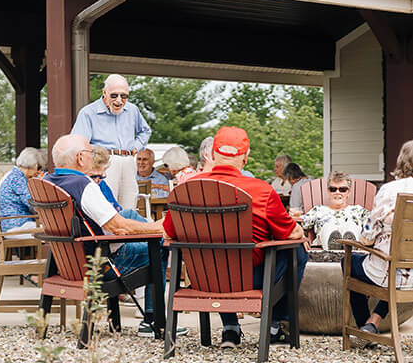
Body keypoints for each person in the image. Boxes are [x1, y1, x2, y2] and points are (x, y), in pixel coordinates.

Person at [163, 126, 307, 348]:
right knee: (297, 250)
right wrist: (299, 232)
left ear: (212, 155)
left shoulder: (187, 189)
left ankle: (230, 327)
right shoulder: (261, 190)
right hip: (249, 279)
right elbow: (291, 233)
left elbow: (168, 234)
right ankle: (275, 325)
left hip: (203, 278)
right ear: (245, 157)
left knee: (219, 257)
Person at [45, 134, 179, 337]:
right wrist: (158, 228)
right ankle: (153, 320)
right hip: (102, 266)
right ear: (80, 158)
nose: (91, 157)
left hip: (68, 264)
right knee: (159, 246)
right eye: (89, 153)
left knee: (131, 217)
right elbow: (118, 226)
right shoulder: (83, 185)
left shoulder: (48, 182)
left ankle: (145, 318)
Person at [344, 140, 413, 337]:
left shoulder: (391, 190)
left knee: (350, 261)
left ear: (403, 161)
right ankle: (373, 322)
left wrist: (368, 239)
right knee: (399, 263)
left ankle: (364, 329)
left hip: (399, 274)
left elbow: (367, 238)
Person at [71, 73, 151, 211]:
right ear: (104, 93)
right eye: (114, 95)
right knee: (107, 207)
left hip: (128, 160)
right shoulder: (88, 112)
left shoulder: (132, 110)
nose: (119, 100)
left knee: (130, 205)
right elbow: (79, 143)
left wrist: (136, 147)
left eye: (123, 96)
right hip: (105, 162)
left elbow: (145, 131)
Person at [301, 171, 370, 250]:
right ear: (328, 191)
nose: (337, 192)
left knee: (351, 226)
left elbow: (372, 226)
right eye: (333, 189)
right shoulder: (318, 210)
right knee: (328, 227)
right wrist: (302, 237)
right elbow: (300, 224)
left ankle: (350, 245)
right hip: (325, 252)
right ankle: (333, 247)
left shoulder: (359, 210)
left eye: (342, 189)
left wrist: (367, 240)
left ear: (348, 192)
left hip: (354, 253)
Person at [0, 147, 43, 232]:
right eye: (39, 167)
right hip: (17, 226)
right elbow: (34, 205)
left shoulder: (13, 176)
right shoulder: (18, 179)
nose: (39, 172)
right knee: (52, 230)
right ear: (33, 165)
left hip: (10, 224)